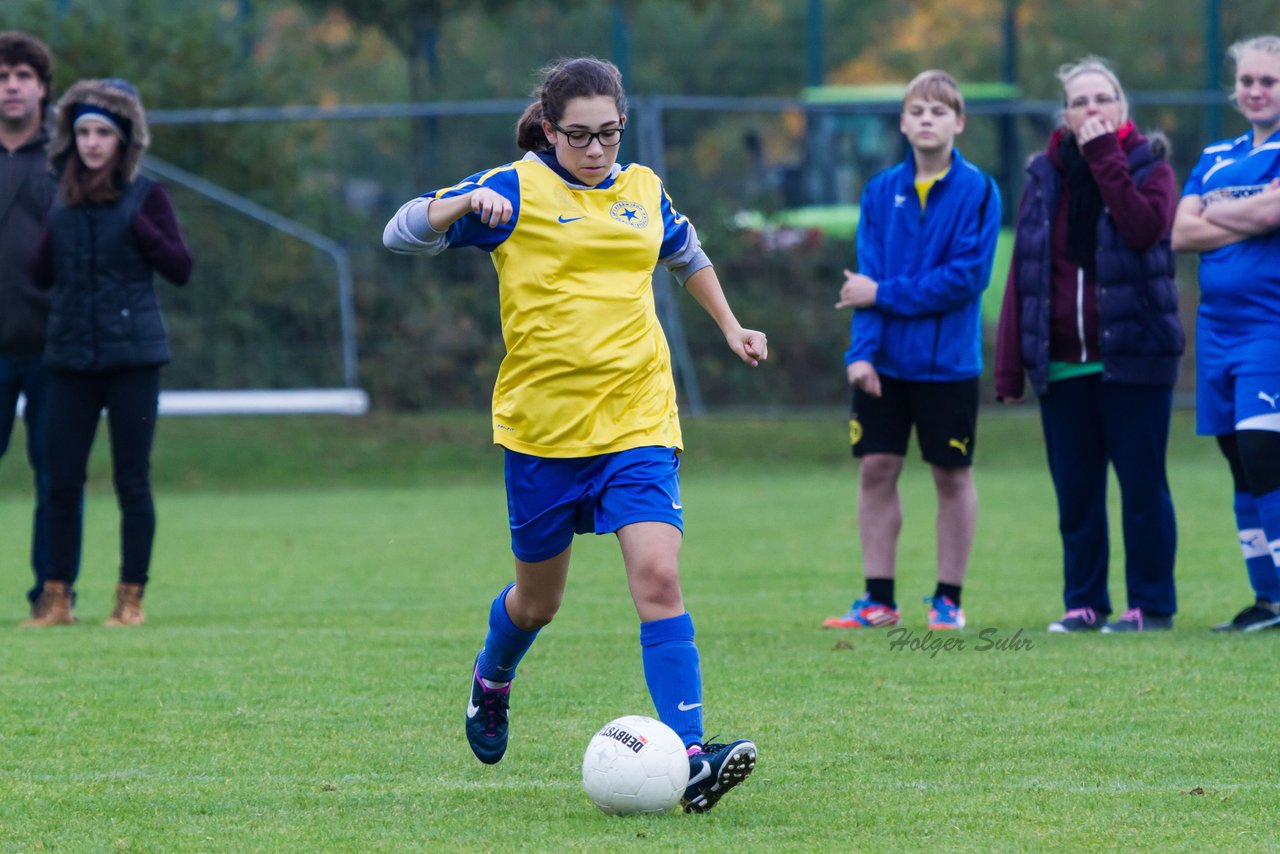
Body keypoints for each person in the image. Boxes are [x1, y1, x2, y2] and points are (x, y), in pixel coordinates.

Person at [383, 57, 764, 813]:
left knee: (658, 577)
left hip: (637, 415)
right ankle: (493, 679)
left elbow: (684, 251)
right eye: (581, 136)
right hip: (542, 429)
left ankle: (690, 758)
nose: (597, 151)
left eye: (610, 135)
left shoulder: (643, 189)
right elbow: (399, 235)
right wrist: (462, 206)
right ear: (550, 131)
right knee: (537, 602)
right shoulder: (512, 189)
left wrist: (730, 324)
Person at [995, 57, 1182, 633]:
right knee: (1076, 494)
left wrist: (1106, 161)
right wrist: (1009, 368)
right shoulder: (1043, 176)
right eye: (1080, 102)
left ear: (1122, 108)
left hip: (1136, 358)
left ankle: (1150, 605)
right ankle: (1084, 602)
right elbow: (1023, 272)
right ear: (1066, 115)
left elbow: (1144, 229)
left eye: (1103, 99)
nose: (1092, 109)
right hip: (1063, 365)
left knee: (1142, 488)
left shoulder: (1151, 168)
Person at [823, 70, 1000, 632]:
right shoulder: (879, 191)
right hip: (885, 362)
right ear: (902, 122)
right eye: (917, 111)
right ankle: (878, 600)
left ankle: (948, 599)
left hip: (949, 364)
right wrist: (861, 354)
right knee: (876, 467)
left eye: (939, 111)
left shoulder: (980, 190)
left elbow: (966, 279)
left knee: (951, 474)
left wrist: (884, 294)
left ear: (959, 122)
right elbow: (863, 281)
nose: (927, 119)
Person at [23, 78, 193, 627]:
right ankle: (55, 599)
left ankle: (130, 597)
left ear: (124, 140)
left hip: (134, 360)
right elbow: (40, 273)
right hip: (69, 359)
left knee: (131, 480)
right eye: (83, 133)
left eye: (103, 133)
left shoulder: (149, 196)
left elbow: (180, 268)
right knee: (60, 480)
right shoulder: (61, 199)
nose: (92, 143)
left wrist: (142, 230)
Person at [1172, 35, 1280, 632]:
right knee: (1239, 461)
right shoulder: (1215, 153)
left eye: (1269, 80)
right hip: (1216, 329)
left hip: (1271, 326)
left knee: (1267, 454)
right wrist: (1250, 210)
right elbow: (1179, 235)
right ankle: (1265, 602)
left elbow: (1272, 214)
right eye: (1247, 81)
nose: (1257, 91)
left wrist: (1217, 212)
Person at [0, 31, 64, 618]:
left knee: (56, 479)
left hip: (54, 349)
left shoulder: (70, 156)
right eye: (2, 76)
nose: (12, 85)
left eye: (23, 74)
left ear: (42, 87)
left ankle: (51, 596)